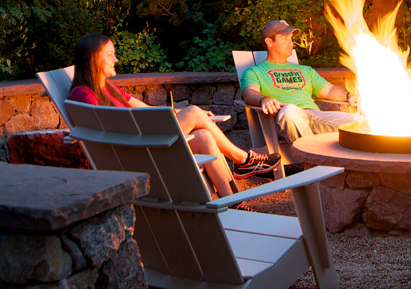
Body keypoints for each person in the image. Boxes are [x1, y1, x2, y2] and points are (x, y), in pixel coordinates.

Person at [66, 33, 278, 195]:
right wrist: (191, 114)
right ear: (93, 59)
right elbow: (106, 134)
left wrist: (187, 114)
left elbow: (149, 111)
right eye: (110, 55)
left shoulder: (109, 89)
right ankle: (243, 159)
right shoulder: (83, 94)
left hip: (144, 142)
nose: (116, 59)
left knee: (203, 135)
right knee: (193, 112)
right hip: (133, 153)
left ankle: (231, 200)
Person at [240, 19, 361, 143]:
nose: (290, 43)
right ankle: (315, 158)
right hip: (287, 119)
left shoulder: (305, 70)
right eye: (284, 38)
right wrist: (263, 99)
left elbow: (329, 90)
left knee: (363, 123)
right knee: (290, 111)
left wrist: (349, 95)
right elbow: (249, 92)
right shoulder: (254, 72)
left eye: (291, 38)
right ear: (269, 42)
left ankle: (321, 157)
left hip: (316, 116)